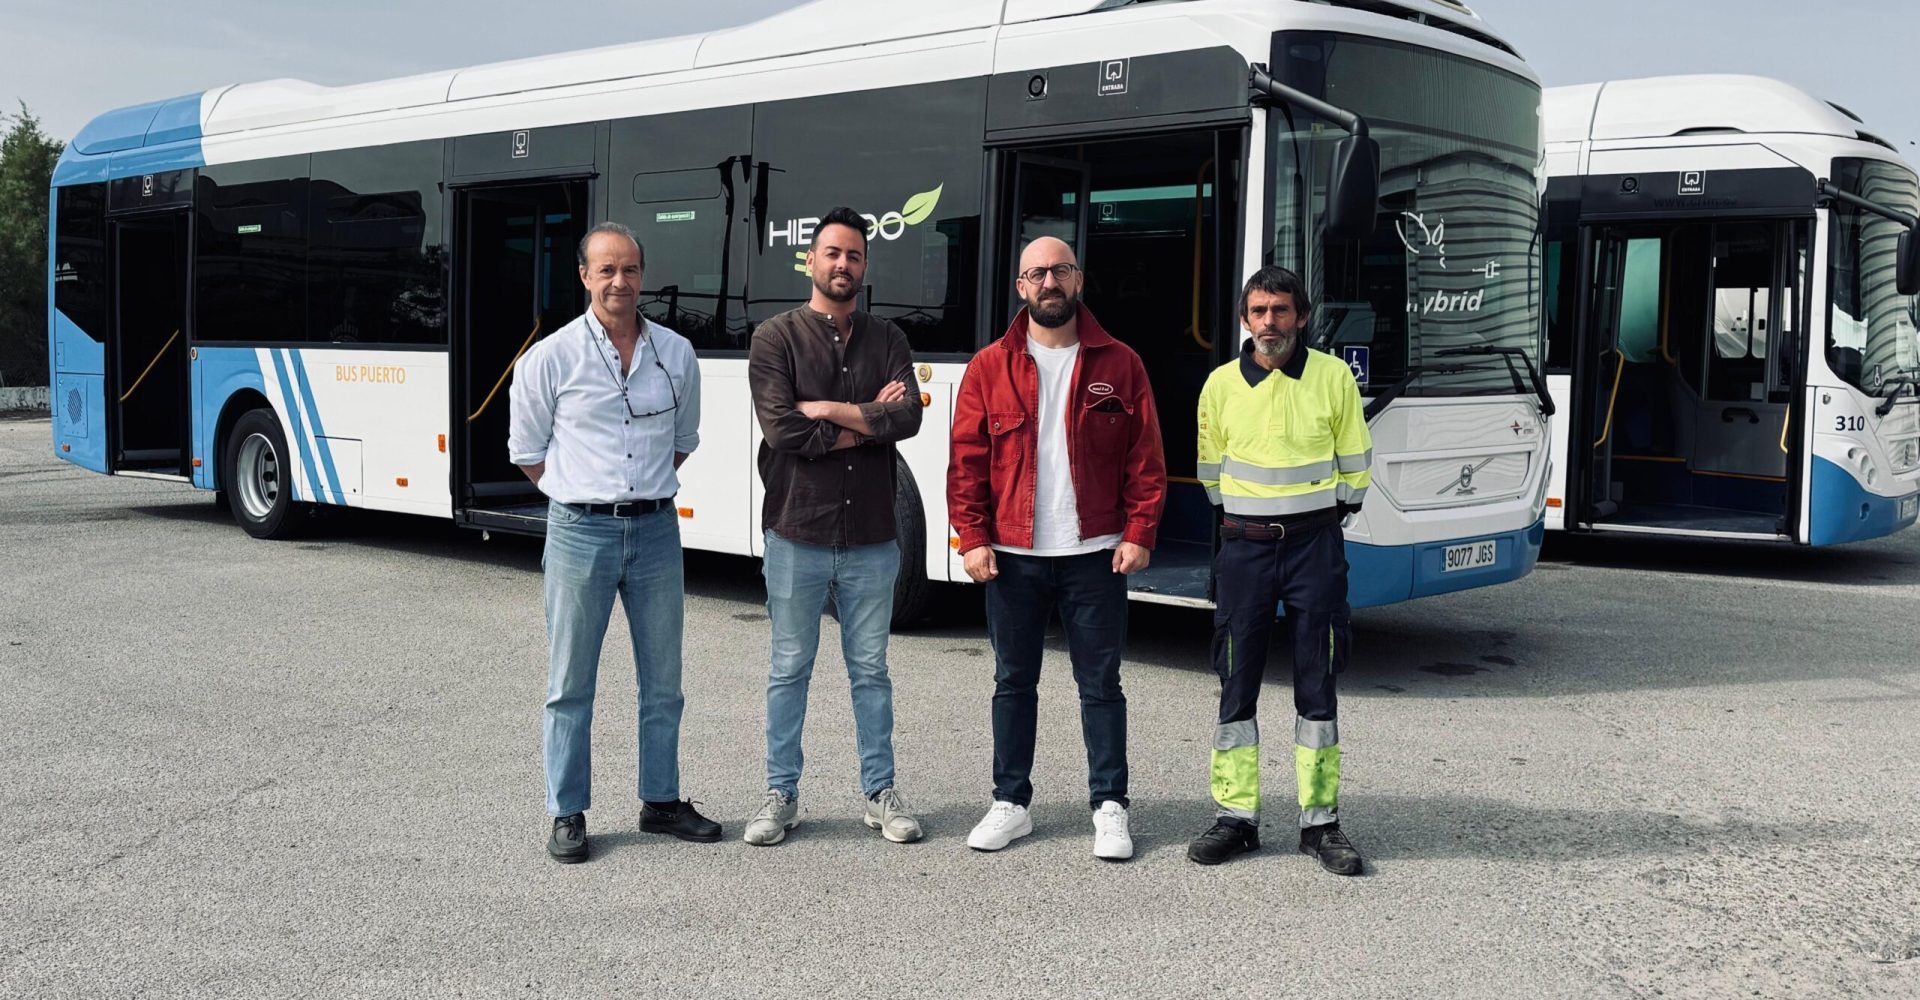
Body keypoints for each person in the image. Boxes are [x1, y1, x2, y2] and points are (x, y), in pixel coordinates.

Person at [508, 222, 720, 864]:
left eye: (629, 270)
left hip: (656, 530)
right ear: (584, 277)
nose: (619, 282)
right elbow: (527, 453)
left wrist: (640, 493)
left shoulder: (676, 353)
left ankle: (661, 802)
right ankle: (567, 812)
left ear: (642, 274)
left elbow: (684, 439)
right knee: (570, 683)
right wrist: (582, 493)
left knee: (665, 681)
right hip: (580, 532)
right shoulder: (550, 358)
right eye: (606, 270)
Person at [948, 237, 1166, 861]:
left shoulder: (1121, 363)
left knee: (1101, 683)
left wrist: (1139, 531)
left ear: (1079, 280)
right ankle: (1010, 803)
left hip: (1096, 553)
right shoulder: (989, 367)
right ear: (1021, 286)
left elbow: (1145, 459)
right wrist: (973, 538)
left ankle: (1110, 806)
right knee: (1013, 681)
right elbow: (966, 464)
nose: (1050, 282)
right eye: (1037, 273)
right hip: (1014, 556)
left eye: (1060, 270)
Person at [742, 207, 925, 846]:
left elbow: (910, 423)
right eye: (831, 254)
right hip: (797, 530)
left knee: (870, 670)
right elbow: (782, 430)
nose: (842, 264)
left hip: (873, 535)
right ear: (811, 261)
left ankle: (880, 794)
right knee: (789, 667)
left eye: (853, 255)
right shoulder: (775, 338)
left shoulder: (889, 339)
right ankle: (780, 795)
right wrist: (867, 420)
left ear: (865, 266)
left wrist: (827, 409)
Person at [1187, 266, 1372, 875]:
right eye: (1260, 311)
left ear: (1301, 316)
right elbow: (1211, 475)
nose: (1271, 322)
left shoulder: (1333, 377)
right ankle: (1235, 819)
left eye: (1282, 311)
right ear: (1245, 319)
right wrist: (1252, 522)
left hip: (1315, 547)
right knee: (1236, 678)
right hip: (1243, 549)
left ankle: (1321, 824)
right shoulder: (1218, 385)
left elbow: (1355, 472)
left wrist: (1308, 519)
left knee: (1318, 679)